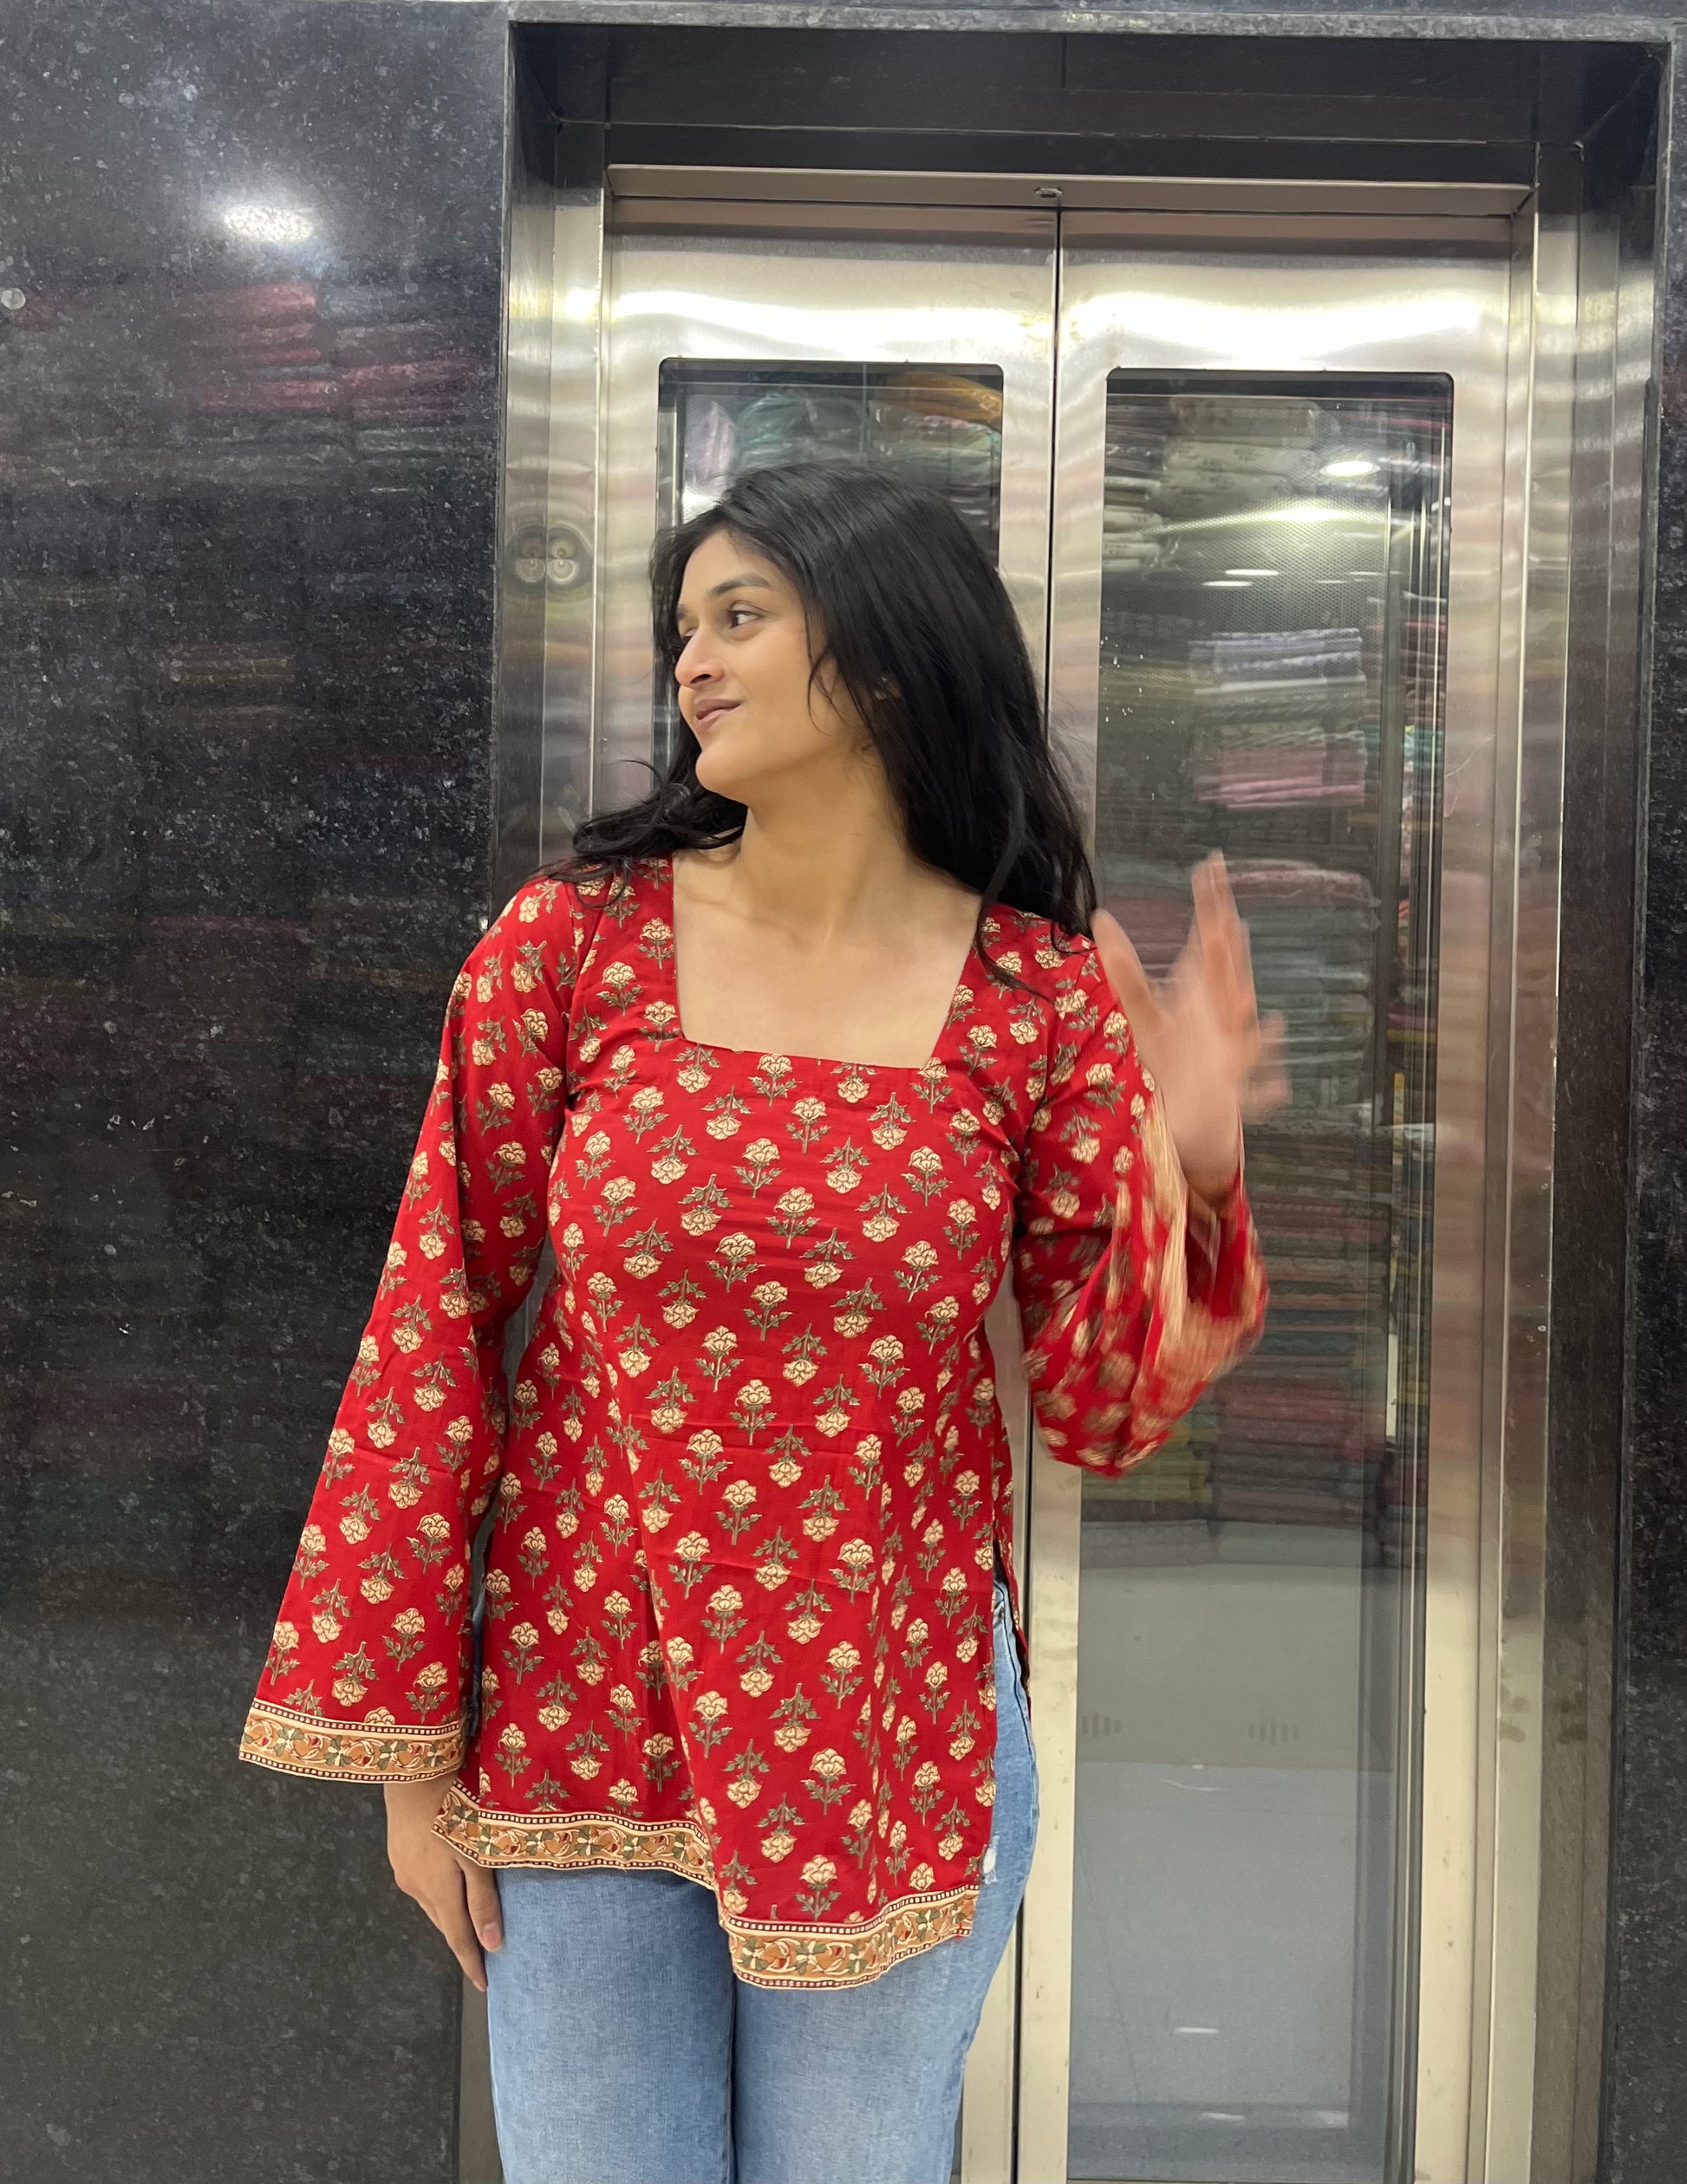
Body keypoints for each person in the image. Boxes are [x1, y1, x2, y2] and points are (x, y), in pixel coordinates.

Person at [240, 463, 1273, 2184]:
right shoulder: (570, 949)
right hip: (582, 1701)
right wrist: (409, 1763)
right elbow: (430, 1328)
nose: (692, 664)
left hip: (892, 1721)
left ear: (888, 654)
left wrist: (1200, 1165)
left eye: (740, 616)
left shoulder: (1031, 998)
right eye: (682, 628)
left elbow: (1102, 1410)